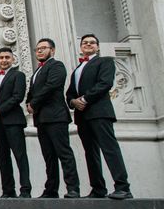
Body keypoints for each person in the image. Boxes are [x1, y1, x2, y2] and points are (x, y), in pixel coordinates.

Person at [66, 34, 132, 199]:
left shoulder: (105, 62)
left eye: (92, 43)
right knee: (91, 153)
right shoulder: (76, 70)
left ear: (97, 46)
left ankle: (123, 187)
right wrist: (73, 101)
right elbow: (70, 93)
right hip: (82, 117)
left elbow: (105, 84)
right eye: (85, 43)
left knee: (110, 149)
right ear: (81, 47)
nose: (88, 45)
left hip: (100, 113)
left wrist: (84, 99)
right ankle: (98, 189)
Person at [26, 38, 80, 198]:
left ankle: (73, 188)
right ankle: (51, 189)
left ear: (53, 50)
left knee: (64, 153)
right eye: (37, 49)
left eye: (43, 48)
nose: (40, 51)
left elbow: (52, 86)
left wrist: (34, 103)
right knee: (49, 156)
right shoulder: (37, 72)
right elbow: (32, 91)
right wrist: (28, 102)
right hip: (42, 119)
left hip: (56, 116)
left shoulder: (57, 66)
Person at [0, 47, 31, 198]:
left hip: (13, 121)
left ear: (12, 59)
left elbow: (18, 96)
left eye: (7, 57)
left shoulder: (18, 75)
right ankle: (8, 190)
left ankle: (25, 189)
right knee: (3, 157)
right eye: (1, 57)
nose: (4, 60)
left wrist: (0, 110)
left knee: (20, 155)